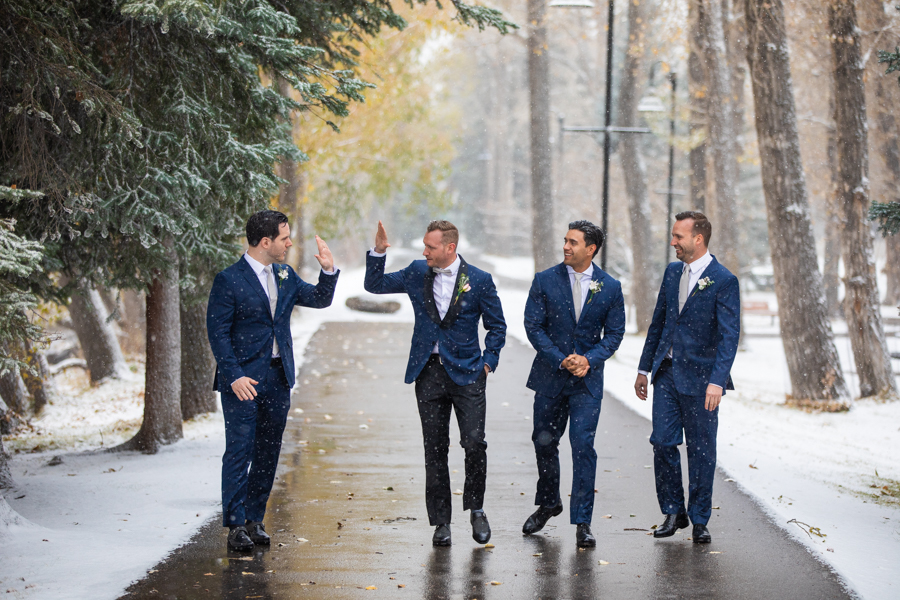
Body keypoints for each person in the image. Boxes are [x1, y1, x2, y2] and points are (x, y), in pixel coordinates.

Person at [364, 220, 506, 546]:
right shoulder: (417, 271)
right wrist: (379, 252)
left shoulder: (480, 281)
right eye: (425, 246)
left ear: (450, 248)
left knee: (474, 444)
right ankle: (441, 522)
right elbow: (375, 285)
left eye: (430, 247)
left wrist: (489, 362)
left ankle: (477, 508)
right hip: (428, 373)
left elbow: (497, 326)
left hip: (469, 374)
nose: (424, 251)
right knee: (435, 449)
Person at [207, 210, 339, 551]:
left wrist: (328, 271)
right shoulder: (229, 279)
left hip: (278, 378)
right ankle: (235, 525)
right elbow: (218, 333)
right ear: (265, 242)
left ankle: (254, 520)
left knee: (268, 451)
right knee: (239, 452)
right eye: (284, 238)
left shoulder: (285, 274)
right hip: (243, 382)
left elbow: (320, 299)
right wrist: (233, 376)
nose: (290, 243)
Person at [634, 211, 739, 544]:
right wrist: (643, 368)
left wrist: (717, 381)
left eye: (678, 236)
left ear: (698, 239)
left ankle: (699, 518)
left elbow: (729, 336)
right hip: (666, 374)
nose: (672, 242)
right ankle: (673, 511)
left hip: (702, 380)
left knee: (701, 450)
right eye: (673, 235)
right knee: (662, 442)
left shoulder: (723, 280)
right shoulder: (671, 272)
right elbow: (659, 322)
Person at [522, 220, 625, 548]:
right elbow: (533, 325)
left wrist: (589, 359)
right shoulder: (544, 281)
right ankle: (549, 502)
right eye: (565, 240)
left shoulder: (610, 287)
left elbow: (615, 333)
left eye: (573, 242)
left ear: (591, 249)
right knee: (543, 441)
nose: (566, 246)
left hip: (586, 383)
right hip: (550, 376)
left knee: (583, 447)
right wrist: (560, 357)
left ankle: (583, 521)